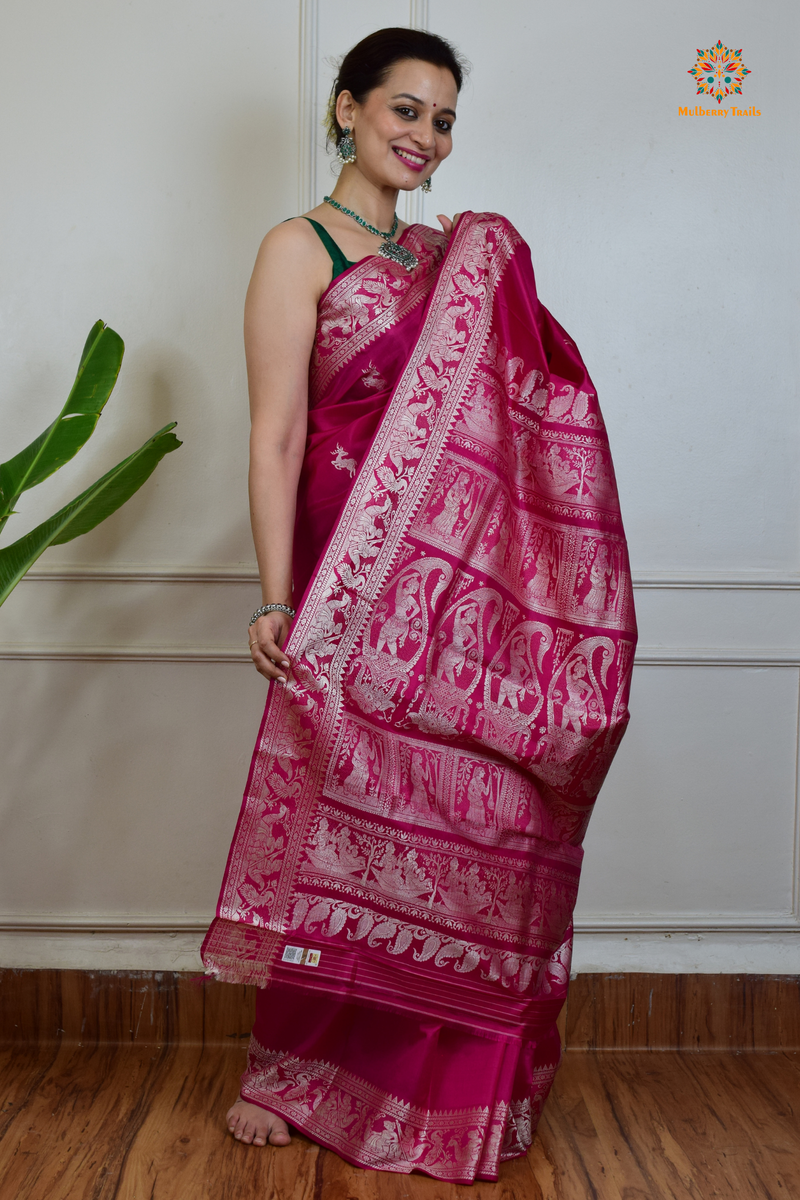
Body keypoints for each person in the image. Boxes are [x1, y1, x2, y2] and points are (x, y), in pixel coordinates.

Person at [202, 27, 637, 1185]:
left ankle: (441, 1077)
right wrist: (276, 597)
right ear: (345, 109)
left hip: (450, 607)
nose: (423, 137)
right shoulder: (296, 250)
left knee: (478, 818)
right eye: (402, 109)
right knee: (344, 815)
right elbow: (277, 433)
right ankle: (292, 1069)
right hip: (344, 581)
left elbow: (526, 428)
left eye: (442, 119)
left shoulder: (458, 263)